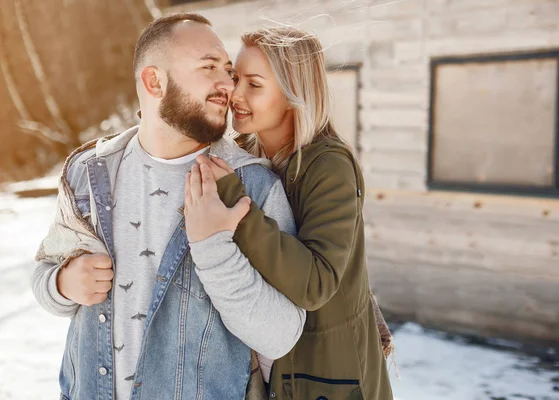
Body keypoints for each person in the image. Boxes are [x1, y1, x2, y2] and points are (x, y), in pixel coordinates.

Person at [31, 13, 306, 400]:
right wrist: (63, 283)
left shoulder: (252, 187)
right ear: (154, 81)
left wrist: (215, 251)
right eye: (209, 67)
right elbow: (43, 274)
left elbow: (282, 336)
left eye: (227, 70)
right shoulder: (88, 172)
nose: (227, 84)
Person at [189, 27, 394, 399]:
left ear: (292, 94)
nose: (236, 93)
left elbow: (316, 283)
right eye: (236, 79)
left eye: (255, 84)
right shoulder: (246, 155)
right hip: (277, 371)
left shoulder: (328, 166)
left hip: (329, 377)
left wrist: (240, 210)